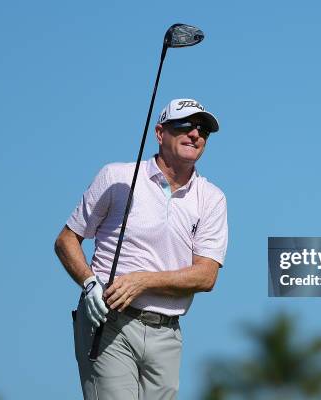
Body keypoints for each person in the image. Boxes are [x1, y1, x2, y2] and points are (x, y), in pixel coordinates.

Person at [54, 98, 228, 400]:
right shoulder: (116, 176)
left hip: (168, 333)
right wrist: (89, 282)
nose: (195, 134)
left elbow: (206, 276)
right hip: (109, 321)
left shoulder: (211, 198)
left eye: (203, 130)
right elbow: (67, 240)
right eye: (184, 125)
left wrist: (142, 280)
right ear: (160, 133)